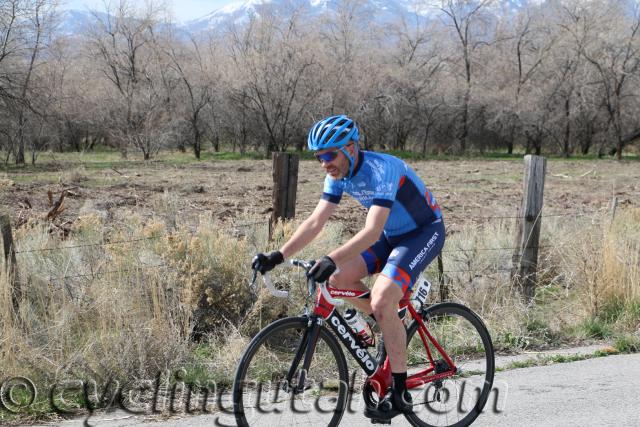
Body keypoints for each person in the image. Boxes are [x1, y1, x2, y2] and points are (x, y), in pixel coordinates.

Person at [252, 114, 445, 419]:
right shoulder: (336, 175)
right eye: (319, 157)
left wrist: (330, 258)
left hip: (423, 232)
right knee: (339, 278)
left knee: (379, 298)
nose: (324, 163)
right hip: (391, 236)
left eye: (330, 154)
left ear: (352, 148)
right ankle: (390, 318)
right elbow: (316, 221)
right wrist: (279, 254)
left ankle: (399, 391)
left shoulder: (382, 169)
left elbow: (370, 231)